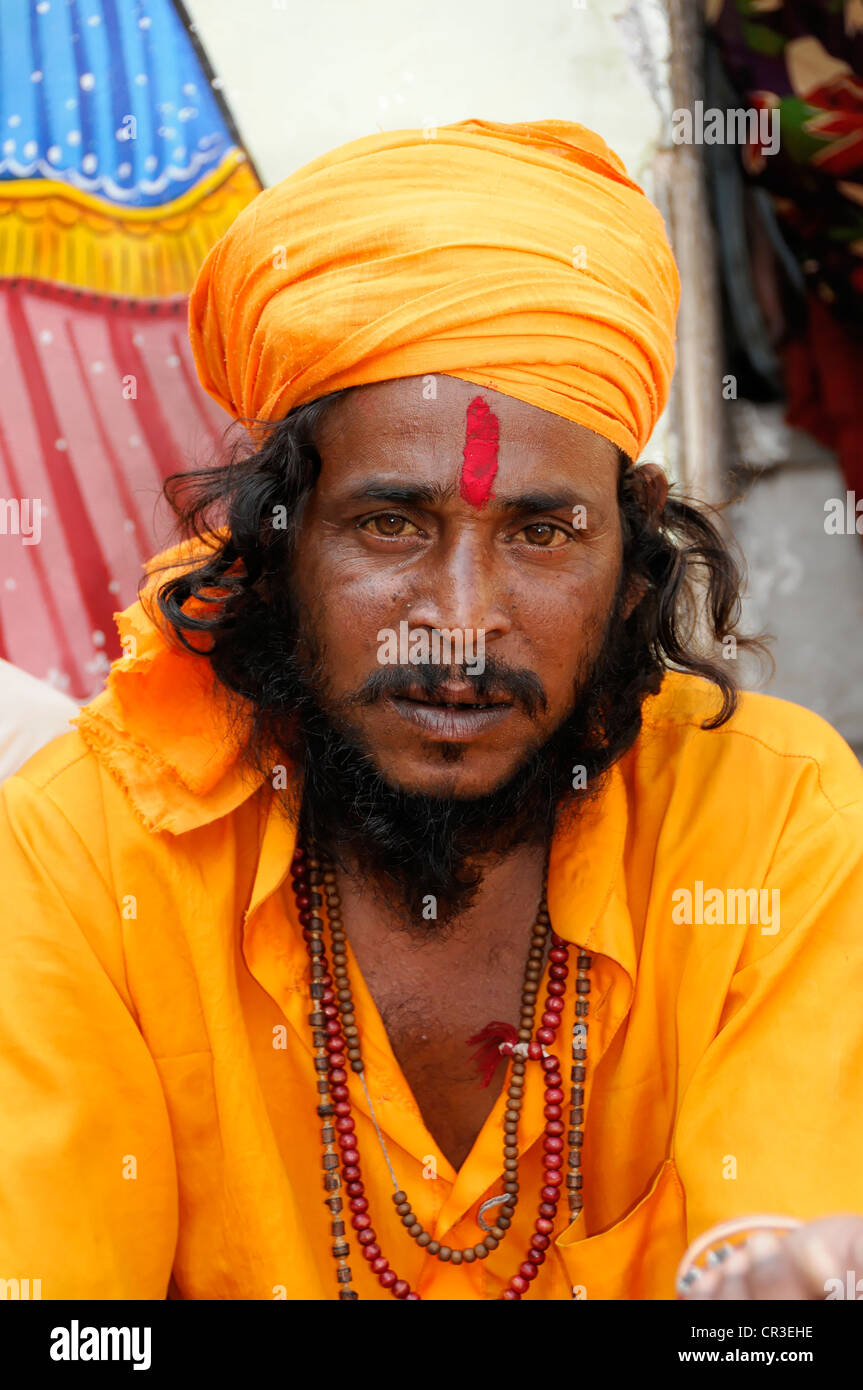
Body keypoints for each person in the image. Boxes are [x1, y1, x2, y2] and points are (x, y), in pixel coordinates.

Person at [0, 119, 861, 1302]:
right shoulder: (83, 853)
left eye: (540, 532)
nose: (459, 621)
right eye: (390, 524)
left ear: (630, 559)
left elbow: (778, 1263)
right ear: (275, 542)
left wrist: (769, 1297)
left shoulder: (774, 822)